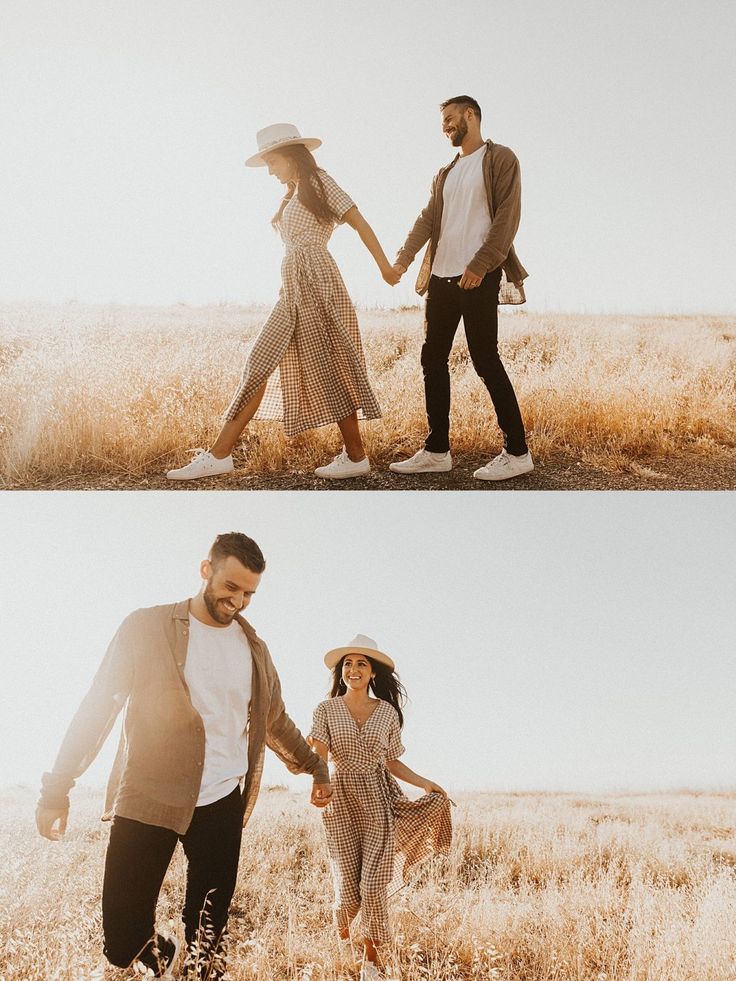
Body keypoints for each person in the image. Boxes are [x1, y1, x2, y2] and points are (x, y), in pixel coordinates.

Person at [35, 532, 332, 980]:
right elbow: (99, 706)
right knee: (121, 940)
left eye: (249, 593)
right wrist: (57, 788)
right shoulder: (146, 627)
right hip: (148, 794)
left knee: (207, 940)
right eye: (231, 587)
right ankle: (163, 959)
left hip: (219, 803)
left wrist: (314, 766)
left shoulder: (255, 650)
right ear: (205, 569)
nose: (238, 601)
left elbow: (275, 721)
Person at [167, 123, 399, 483]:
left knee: (326, 367)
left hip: (318, 284)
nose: (271, 171)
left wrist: (385, 267)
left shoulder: (320, 182)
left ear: (292, 156)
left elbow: (359, 222)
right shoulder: (295, 191)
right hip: (292, 287)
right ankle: (220, 455)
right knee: (259, 361)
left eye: (273, 162)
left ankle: (356, 456)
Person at [390, 96, 534, 482]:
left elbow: (508, 217)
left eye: (451, 119)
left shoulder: (501, 159)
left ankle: (517, 451)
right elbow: (427, 219)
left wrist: (480, 264)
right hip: (441, 277)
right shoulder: (445, 173)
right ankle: (437, 450)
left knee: (485, 359)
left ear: (471, 115)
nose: (446, 127)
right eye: (443, 123)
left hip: (477, 275)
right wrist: (403, 260)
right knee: (431, 359)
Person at [309, 634, 451, 981]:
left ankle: (371, 961)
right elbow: (320, 755)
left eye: (361, 664)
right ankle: (342, 934)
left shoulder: (386, 713)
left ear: (373, 673)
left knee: (373, 888)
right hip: (340, 803)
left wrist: (425, 784)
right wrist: (319, 783)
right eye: (348, 664)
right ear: (341, 672)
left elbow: (392, 763)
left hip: (378, 801)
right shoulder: (326, 710)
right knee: (348, 894)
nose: (353, 670)